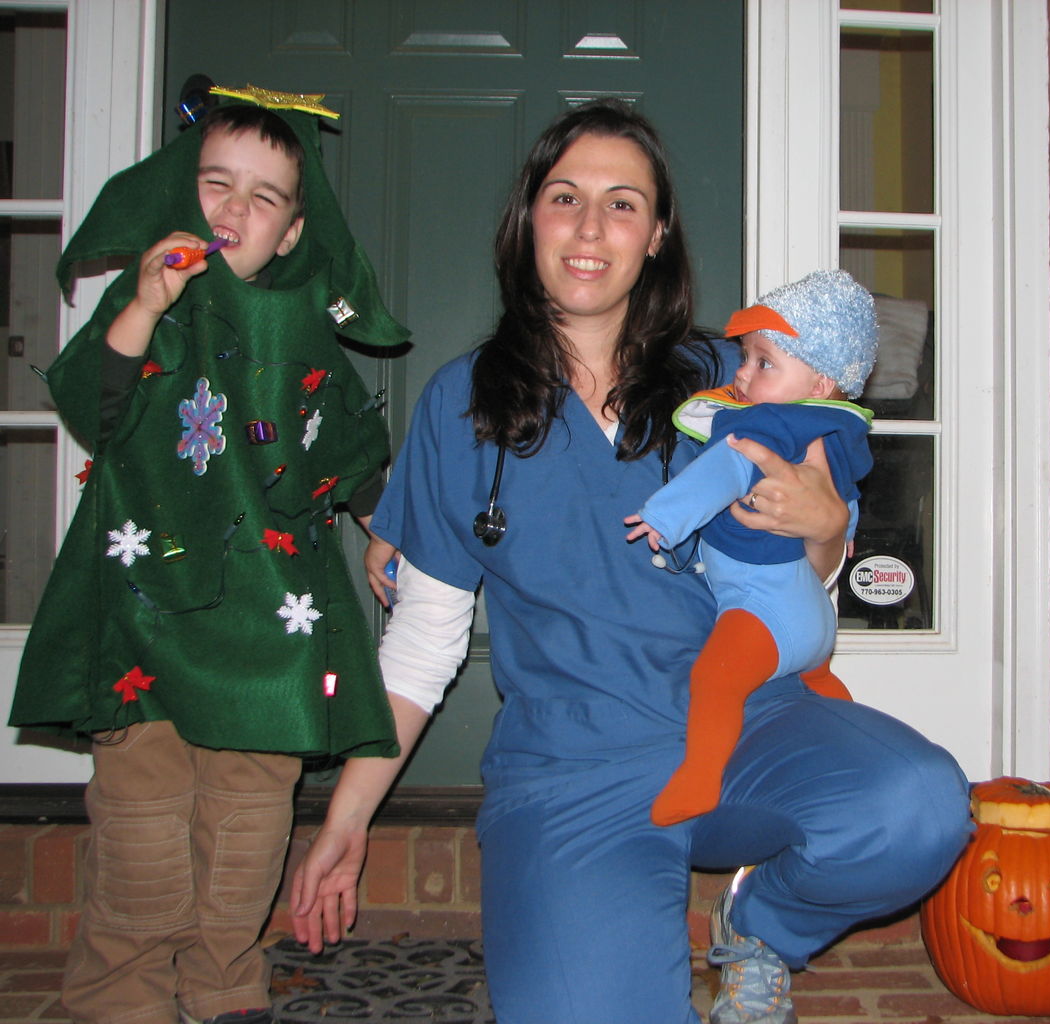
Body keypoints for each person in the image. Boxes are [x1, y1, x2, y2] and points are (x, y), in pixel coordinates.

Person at [290, 99, 971, 1024]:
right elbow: (423, 641)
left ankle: (761, 926)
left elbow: (800, 580)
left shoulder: (731, 382)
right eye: (565, 196)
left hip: (745, 732)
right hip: (573, 768)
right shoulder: (463, 404)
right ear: (529, 217)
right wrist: (346, 817)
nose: (588, 226)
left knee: (917, 807)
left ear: (655, 235)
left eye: (622, 204)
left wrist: (821, 527)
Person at [8, 90, 409, 1024]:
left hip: (267, 627)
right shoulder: (147, 306)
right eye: (216, 185)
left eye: (263, 198)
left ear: (294, 230)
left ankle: (225, 985)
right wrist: (145, 305)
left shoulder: (303, 322)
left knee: (244, 831)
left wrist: (380, 521)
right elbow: (93, 410)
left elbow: (345, 444)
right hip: (148, 612)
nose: (235, 210)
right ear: (180, 199)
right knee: (143, 837)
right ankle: (121, 999)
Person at [626, 268, 877, 826]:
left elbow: (726, 468)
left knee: (715, 679)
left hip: (765, 608)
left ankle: (699, 779)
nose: (741, 373)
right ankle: (853, 743)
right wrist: (841, 529)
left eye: (765, 362)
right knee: (821, 685)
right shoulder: (840, 432)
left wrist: (664, 517)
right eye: (746, 357)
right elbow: (847, 503)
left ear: (818, 383)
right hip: (813, 617)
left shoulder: (768, 425)